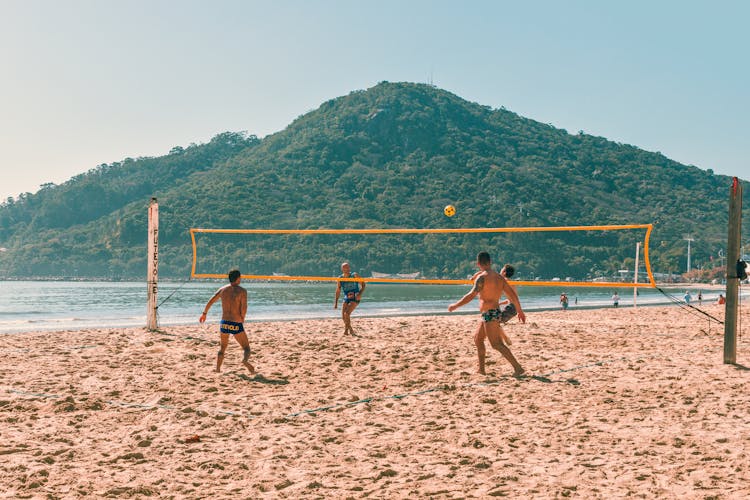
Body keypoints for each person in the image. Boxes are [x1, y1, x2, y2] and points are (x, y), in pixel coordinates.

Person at [448, 251, 526, 376]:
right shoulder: (499, 278)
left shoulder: (482, 277)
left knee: (496, 344)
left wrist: (455, 305)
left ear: (478, 264)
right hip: (489, 313)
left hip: (490, 313)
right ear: (490, 262)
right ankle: (482, 370)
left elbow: (471, 295)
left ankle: (518, 368)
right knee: (478, 339)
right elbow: (513, 296)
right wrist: (520, 312)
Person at [199, 268, 254, 374]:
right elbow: (244, 307)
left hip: (224, 323)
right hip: (236, 322)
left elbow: (211, 301)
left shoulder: (223, 289)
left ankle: (218, 369)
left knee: (222, 348)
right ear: (238, 278)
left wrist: (204, 314)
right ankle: (245, 361)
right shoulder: (242, 291)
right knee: (246, 348)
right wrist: (242, 318)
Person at [334, 262, 366, 336]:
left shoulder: (354, 275)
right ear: (342, 269)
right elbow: (338, 291)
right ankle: (350, 330)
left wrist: (360, 294)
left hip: (355, 296)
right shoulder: (340, 278)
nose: (347, 269)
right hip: (347, 297)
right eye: (345, 267)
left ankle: (346, 331)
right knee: (343, 316)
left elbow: (363, 284)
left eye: (348, 267)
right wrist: (336, 302)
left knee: (347, 313)